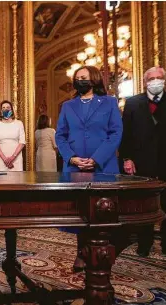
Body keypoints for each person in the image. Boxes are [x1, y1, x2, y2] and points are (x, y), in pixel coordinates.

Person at [55, 65, 123, 271]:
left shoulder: (109, 103)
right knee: (80, 211)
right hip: (75, 167)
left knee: (102, 211)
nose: (79, 81)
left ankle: (102, 253)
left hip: (103, 166)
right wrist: (72, 158)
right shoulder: (68, 106)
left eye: (83, 77)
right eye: (77, 79)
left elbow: (115, 133)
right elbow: (60, 135)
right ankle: (81, 254)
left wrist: (96, 159)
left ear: (93, 79)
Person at [119, 66, 166, 257]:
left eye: (159, 78)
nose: (155, 81)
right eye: (151, 78)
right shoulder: (133, 103)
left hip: (164, 159)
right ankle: (144, 243)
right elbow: (126, 134)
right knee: (144, 205)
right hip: (141, 162)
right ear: (145, 82)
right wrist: (127, 158)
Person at [0, 100, 26, 171]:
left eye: (8, 107)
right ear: (0, 111)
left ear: (12, 110)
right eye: (3, 108)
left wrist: (13, 157)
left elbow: (22, 142)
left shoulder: (19, 123)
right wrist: (4, 159)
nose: (5, 109)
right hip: (1, 158)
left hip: (16, 158)